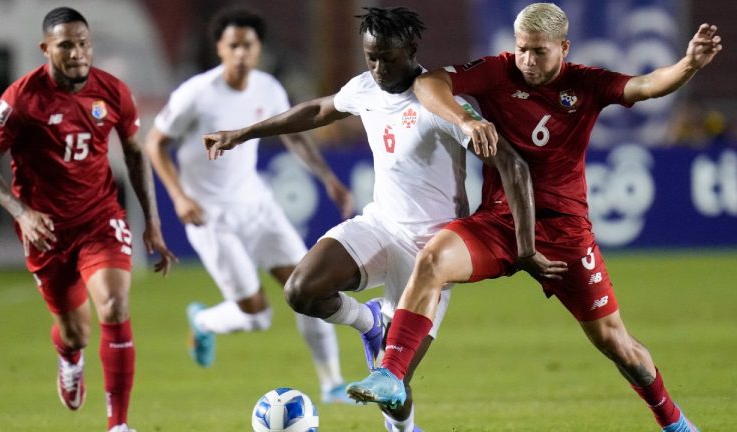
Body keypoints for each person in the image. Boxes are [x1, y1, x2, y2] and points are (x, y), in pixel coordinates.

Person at [346, 3, 722, 432]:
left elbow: (648, 84)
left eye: (539, 52)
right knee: (431, 259)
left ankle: (674, 422)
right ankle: (391, 373)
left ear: (564, 47)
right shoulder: (497, 71)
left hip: (563, 236)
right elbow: (431, 82)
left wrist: (689, 64)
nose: (527, 60)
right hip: (499, 224)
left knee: (614, 342)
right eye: (522, 48)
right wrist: (466, 121)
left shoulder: (586, 83)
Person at [204, 7, 560, 431]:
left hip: (430, 252)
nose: (377, 68)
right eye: (370, 57)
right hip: (379, 225)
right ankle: (369, 321)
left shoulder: (443, 105)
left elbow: (513, 167)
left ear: (411, 50)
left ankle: (404, 429)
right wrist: (241, 133)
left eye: (387, 58)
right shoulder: (365, 88)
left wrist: (525, 249)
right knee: (300, 290)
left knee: (393, 382)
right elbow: (317, 111)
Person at [0, 7, 177, 432]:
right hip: (45, 231)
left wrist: (153, 223)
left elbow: (136, 153)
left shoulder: (113, 91)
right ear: (46, 49)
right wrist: (22, 213)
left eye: (83, 43)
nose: (78, 52)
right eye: (66, 45)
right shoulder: (21, 98)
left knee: (116, 305)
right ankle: (70, 358)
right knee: (75, 333)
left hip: (100, 218)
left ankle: (118, 425)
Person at [144, 7, 356, 404]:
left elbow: (294, 136)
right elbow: (155, 143)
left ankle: (331, 384)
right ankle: (204, 320)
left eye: (249, 45)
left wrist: (327, 178)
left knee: (310, 289)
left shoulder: (269, 89)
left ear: (259, 48)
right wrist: (179, 196)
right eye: (234, 46)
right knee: (257, 315)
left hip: (258, 206)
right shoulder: (196, 94)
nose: (242, 53)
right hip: (211, 217)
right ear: (220, 49)